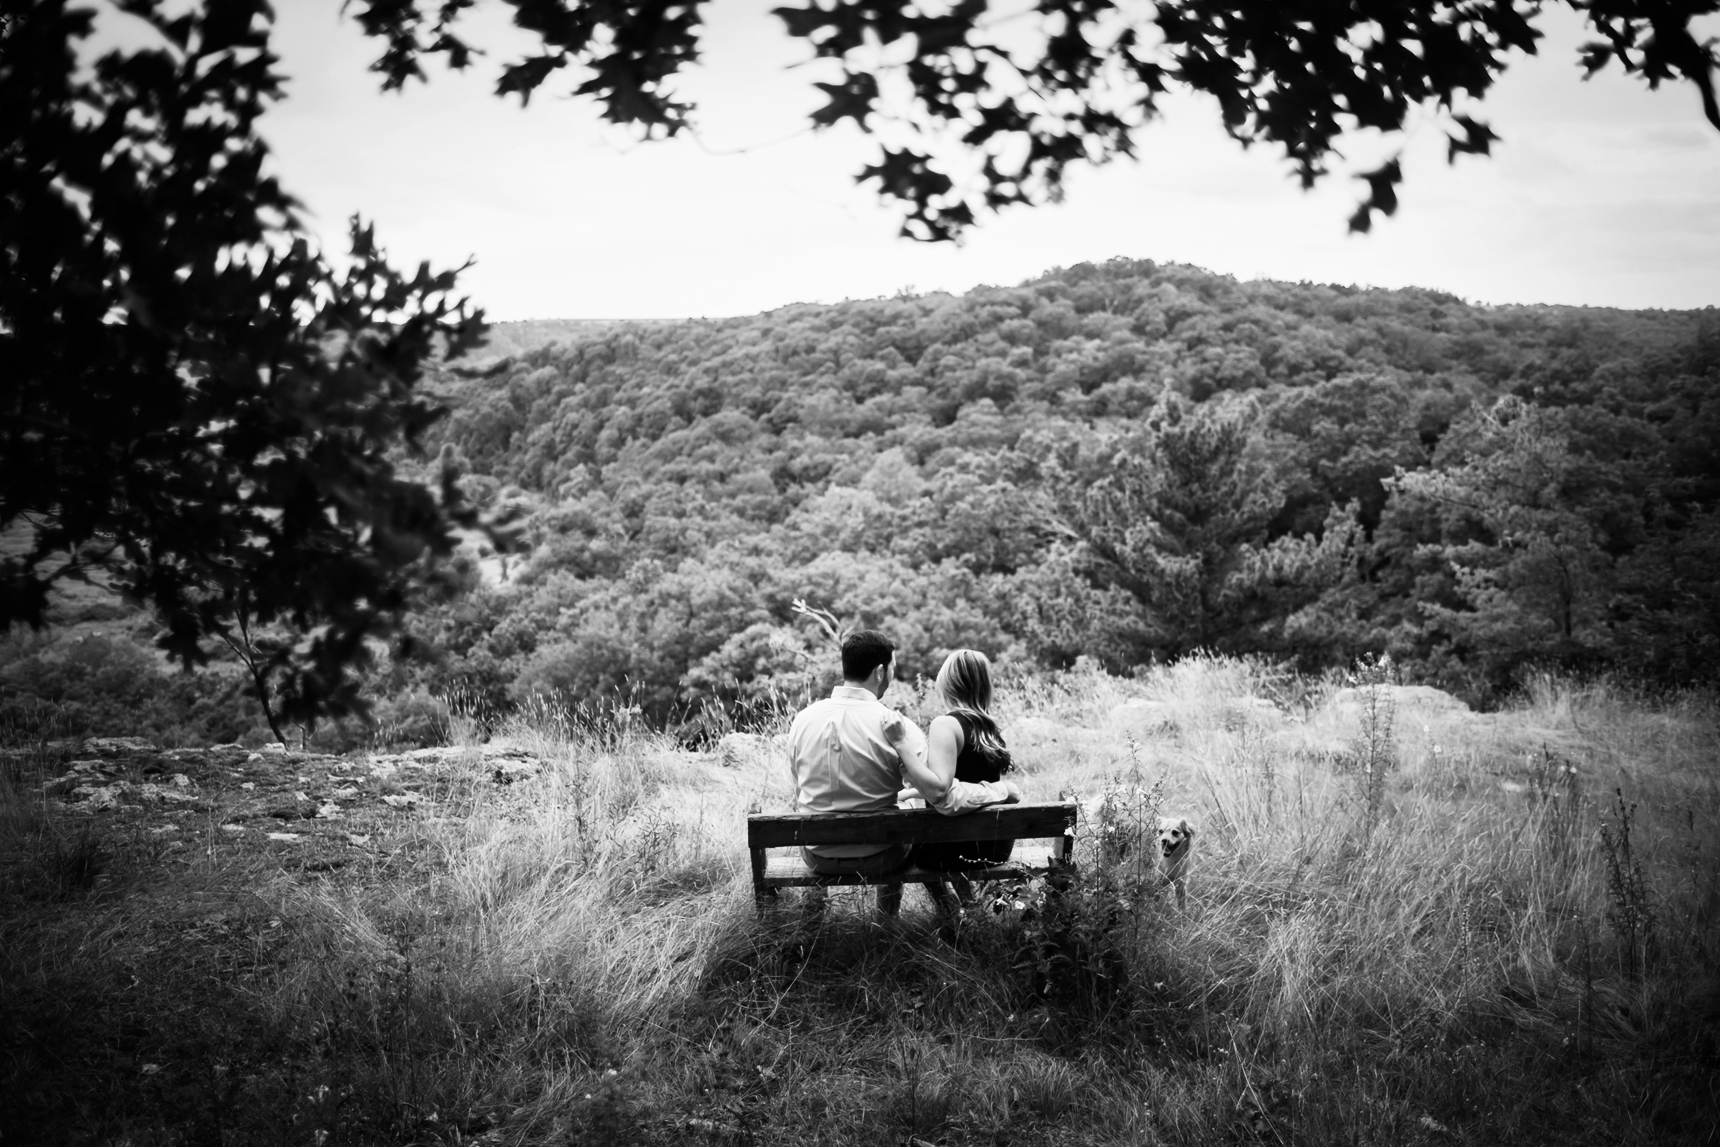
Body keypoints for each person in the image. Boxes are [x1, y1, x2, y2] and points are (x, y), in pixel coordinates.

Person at [786, 630, 1019, 917]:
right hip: (881, 856)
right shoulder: (899, 727)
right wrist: (1000, 789)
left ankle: (811, 922)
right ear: (881, 671)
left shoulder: (802, 720)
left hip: (817, 855)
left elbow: (799, 787)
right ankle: (889, 922)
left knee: (816, 811)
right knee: (905, 818)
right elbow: (937, 791)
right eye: (893, 667)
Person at [893, 649, 1017, 918]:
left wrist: (903, 748)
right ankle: (969, 906)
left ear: (947, 682)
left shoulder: (945, 725)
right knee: (940, 834)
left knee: (913, 846)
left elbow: (941, 789)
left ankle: (948, 908)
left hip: (952, 846)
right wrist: (908, 793)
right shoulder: (989, 728)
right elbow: (967, 783)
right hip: (994, 845)